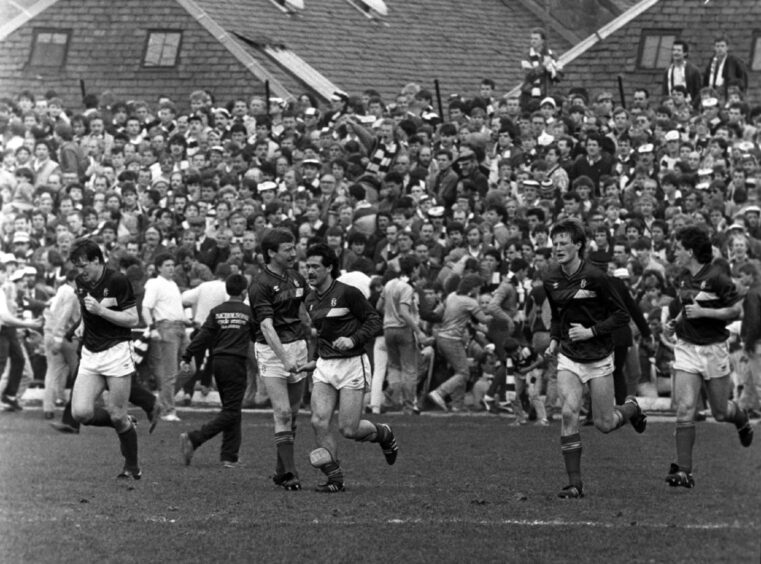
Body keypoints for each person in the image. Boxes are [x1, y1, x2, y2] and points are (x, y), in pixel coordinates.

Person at [544, 218, 647, 499]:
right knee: (568, 412)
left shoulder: (598, 277)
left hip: (599, 356)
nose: (558, 248)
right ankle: (575, 485)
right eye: (555, 243)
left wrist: (591, 331)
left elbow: (622, 315)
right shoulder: (551, 278)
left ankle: (631, 409)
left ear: (578, 245)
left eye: (564, 242)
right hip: (569, 356)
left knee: (604, 424)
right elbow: (557, 316)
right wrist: (554, 340)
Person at [298, 243, 397, 493]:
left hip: (352, 364)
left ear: (329, 267)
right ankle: (334, 478)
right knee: (319, 421)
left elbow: (374, 321)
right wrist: (316, 359)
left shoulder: (348, 293)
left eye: (315, 267)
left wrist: (353, 340)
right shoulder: (310, 299)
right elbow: (324, 334)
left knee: (348, 429)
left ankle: (383, 433)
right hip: (325, 366)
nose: (309, 271)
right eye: (307, 266)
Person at [664, 226, 753, 489]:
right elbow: (688, 306)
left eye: (678, 247)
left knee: (720, 411)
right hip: (687, 347)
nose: (674, 252)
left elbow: (737, 309)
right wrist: (676, 321)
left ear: (690, 251)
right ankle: (684, 471)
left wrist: (706, 315)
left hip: (714, 348)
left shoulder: (717, 275)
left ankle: (741, 418)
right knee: (685, 407)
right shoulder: (682, 277)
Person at [68, 239, 141, 479]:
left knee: (117, 414)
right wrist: (81, 326)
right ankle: (126, 422)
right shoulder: (80, 282)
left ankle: (132, 466)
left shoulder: (118, 281)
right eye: (77, 267)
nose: (80, 272)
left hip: (117, 351)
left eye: (83, 266)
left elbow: (132, 319)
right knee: (80, 413)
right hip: (91, 353)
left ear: (97, 261)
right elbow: (87, 313)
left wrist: (101, 311)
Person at [248, 228, 309, 491]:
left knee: (293, 415)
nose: (293, 253)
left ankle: (280, 469)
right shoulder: (260, 284)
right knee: (282, 412)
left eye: (293, 247)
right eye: (287, 249)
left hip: (298, 347)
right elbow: (266, 327)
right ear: (271, 253)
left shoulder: (297, 278)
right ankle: (290, 474)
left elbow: (307, 308)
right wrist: (284, 358)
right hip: (272, 352)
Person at [179, 274, 255, 468]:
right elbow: (258, 337)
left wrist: (187, 356)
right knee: (231, 410)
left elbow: (202, 337)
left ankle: (229, 456)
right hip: (236, 363)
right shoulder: (249, 312)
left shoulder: (216, 311)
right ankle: (194, 438)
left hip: (218, 363)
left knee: (232, 408)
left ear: (227, 290)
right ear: (245, 292)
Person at [142, 252, 187, 422]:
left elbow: (175, 308)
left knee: (192, 367)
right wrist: (152, 328)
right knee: (170, 372)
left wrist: (186, 319)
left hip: (180, 327)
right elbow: (146, 308)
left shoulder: (173, 284)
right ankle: (168, 410)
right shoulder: (154, 284)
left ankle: (162, 399)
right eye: (167, 265)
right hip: (166, 327)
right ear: (159, 268)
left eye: (172, 265)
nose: (171, 268)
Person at [0, 264, 43, 411]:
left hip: (10, 332)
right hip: (5, 331)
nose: (25, 283)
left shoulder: (14, 295)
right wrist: (28, 325)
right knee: (5, 367)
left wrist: (27, 328)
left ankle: (10, 396)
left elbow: (30, 305)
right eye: (22, 281)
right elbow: (6, 318)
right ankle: (8, 397)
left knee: (16, 362)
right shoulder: (7, 291)